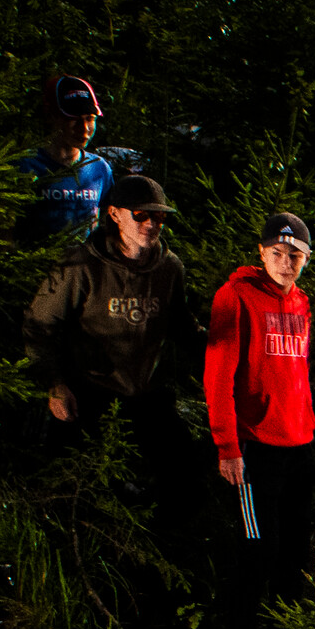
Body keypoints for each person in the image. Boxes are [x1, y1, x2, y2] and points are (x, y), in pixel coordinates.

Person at [22, 174, 193, 492]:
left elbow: (183, 327)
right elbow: (39, 325)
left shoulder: (169, 268)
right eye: (140, 215)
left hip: (148, 392)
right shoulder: (80, 265)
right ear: (115, 214)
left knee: (184, 470)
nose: (151, 224)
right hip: (90, 391)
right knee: (77, 481)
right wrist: (55, 384)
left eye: (159, 217)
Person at [205, 210, 315, 629]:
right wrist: (228, 447)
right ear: (261, 252)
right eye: (277, 253)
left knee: (295, 551)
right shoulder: (235, 296)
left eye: (295, 256)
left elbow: (297, 371)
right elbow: (218, 376)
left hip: (299, 445)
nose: (285, 263)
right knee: (257, 551)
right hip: (255, 448)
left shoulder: (301, 302)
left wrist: (307, 425)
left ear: (306, 258)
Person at [14, 76, 141, 242]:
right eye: (73, 119)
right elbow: (5, 227)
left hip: (85, 258)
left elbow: (109, 222)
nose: (84, 128)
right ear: (51, 117)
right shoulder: (24, 165)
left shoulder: (99, 168)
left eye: (90, 119)